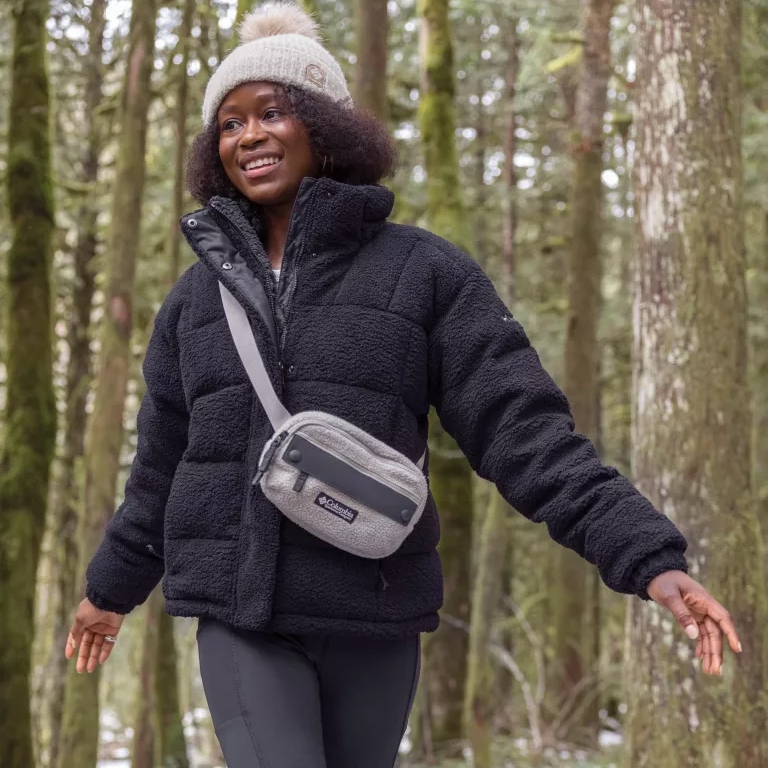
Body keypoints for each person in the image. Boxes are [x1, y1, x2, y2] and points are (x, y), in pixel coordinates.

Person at [65, 3, 742, 766]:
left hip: (376, 610)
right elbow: (160, 469)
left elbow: (525, 432)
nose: (249, 135)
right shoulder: (193, 304)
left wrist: (649, 557)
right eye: (228, 123)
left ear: (325, 125)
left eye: (273, 112)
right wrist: (108, 590)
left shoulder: (424, 273)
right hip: (241, 616)